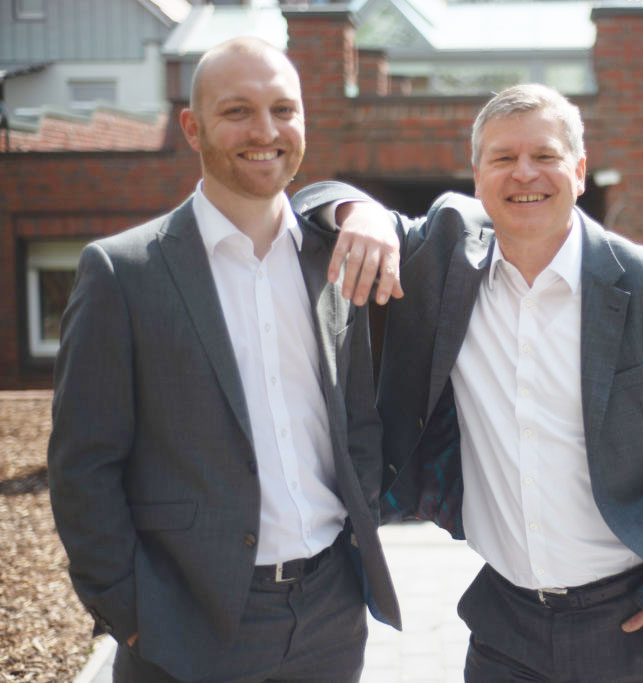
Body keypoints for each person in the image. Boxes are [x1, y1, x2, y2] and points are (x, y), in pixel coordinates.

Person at [293, 83, 643, 682]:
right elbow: (314, 198)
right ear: (478, 177)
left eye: (545, 155)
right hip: (503, 625)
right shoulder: (445, 261)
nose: (524, 173)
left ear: (578, 171)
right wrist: (363, 213)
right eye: (503, 157)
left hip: (632, 625)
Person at [47, 37, 401, 683]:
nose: (265, 131)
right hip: (189, 623)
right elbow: (83, 467)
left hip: (331, 613)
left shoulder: (333, 257)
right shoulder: (122, 272)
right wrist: (131, 613)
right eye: (238, 111)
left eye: (283, 109)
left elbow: (357, 422)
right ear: (193, 127)